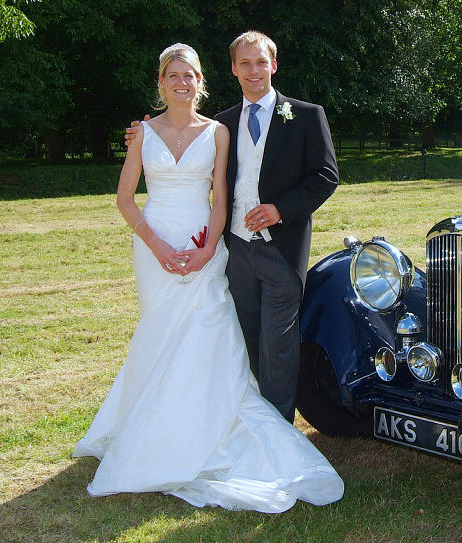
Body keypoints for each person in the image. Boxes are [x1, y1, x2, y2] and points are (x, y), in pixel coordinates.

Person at [74, 43, 343, 513]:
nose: (182, 83)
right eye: (173, 76)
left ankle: (270, 429)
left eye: (262, 62)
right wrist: (157, 239)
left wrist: (262, 219)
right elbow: (135, 193)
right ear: (163, 81)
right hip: (196, 247)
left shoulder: (272, 120)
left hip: (246, 247)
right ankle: (155, 427)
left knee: (249, 341)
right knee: (193, 336)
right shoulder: (205, 125)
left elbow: (316, 177)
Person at [127, 31, 338, 424]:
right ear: (233, 69)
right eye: (245, 63)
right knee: (244, 338)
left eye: (261, 62)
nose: (254, 70)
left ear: (273, 65)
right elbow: (181, 148)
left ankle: (278, 430)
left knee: (278, 343)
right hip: (234, 251)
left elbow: (326, 175)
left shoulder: (307, 115)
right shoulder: (220, 124)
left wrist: (280, 209)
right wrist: (142, 139)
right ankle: (252, 417)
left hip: (282, 248)